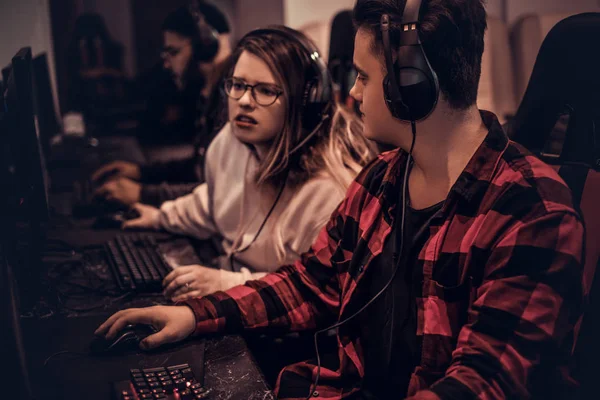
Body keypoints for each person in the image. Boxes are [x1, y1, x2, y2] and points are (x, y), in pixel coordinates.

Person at [96, 1, 585, 399]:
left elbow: (484, 383)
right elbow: (312, 283)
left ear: (411, 88)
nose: (352, 93)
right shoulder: (382, 180)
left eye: (364, 77)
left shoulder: (532, 210)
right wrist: (193, 315)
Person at [116, 26, 373, 301]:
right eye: (237, 85)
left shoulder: (329, 192)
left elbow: (315, 290)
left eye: (265, 90)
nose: (244, 102)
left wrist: (228, 282)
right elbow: (213, 202)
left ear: (305, 104)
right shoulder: (232, 141)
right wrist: (161, 217)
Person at [92, 3, 232, 207]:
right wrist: (141, 172)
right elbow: (199, 168)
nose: (166, 64)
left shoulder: (233, 100)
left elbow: (220, 195)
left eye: (173, 52)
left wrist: (143, 194)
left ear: (205, 46)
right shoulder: (210, 95)